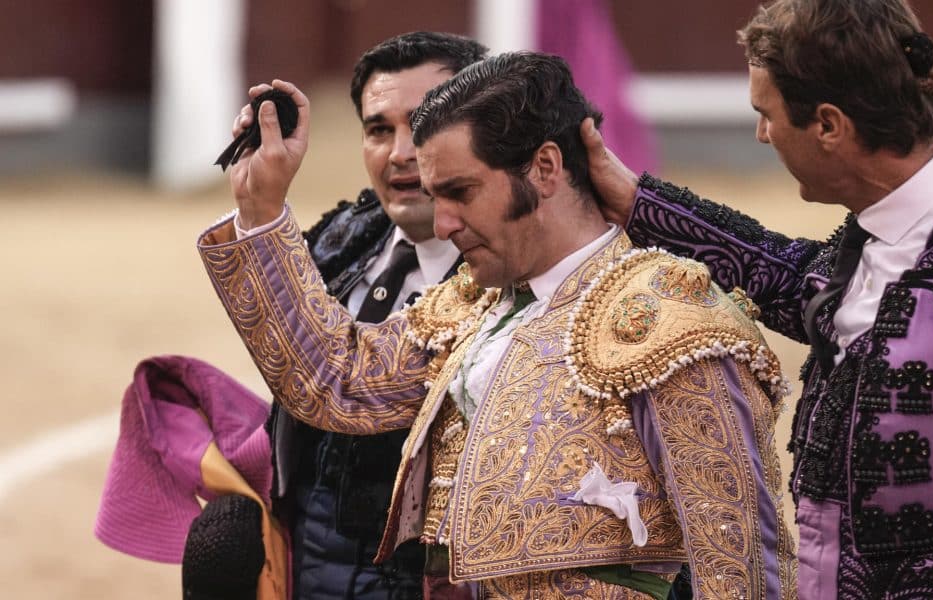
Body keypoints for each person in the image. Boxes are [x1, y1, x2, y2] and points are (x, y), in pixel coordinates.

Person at [199, 51, 796, 598]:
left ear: (545, 168)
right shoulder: (476, 303)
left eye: (461, 192)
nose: (442, 224)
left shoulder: (669, 323)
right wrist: (259, 211)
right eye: (436, 196)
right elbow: (341, 380)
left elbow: (739, 568)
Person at [581, 1, 933, 597]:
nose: (762, 134)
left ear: (828, 125)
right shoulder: (879, 232)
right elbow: (785, 276)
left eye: (766, 114)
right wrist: (635, 202)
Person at [235, 32, 486, 599]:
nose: (400, 153)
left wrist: (262, 216)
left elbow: (336, 379)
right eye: (379, 130)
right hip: (305, 567)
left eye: (424, 124)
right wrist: (255, 208)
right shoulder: (342, 238)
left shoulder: (508, 273)